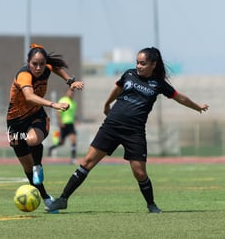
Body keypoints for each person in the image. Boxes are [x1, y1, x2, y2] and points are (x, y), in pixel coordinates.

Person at [45, 47, 209, 213]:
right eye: (137, 62)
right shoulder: (129, 74)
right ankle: (63, 199)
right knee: (87, 162)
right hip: (112, 126)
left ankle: (151, 205)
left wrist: (197, 107)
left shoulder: (159, 84)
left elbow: (180, 97)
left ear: (153, 64)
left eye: (143, 63)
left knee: (139, 172)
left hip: (134, 132)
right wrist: (107, 104)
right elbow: (117, 89)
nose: (138, 66)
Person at [6, 44, 84, 211]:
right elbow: (29, 96)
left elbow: (55, 67)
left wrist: (70, 81)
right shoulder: (24, 75)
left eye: (42, 63)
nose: (39, 67)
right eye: (35, 64)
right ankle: (46, 198)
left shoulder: (45, 68)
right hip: (15, 122)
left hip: (36, 115)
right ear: (28, 62)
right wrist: (53, 104)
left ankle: (38, 165)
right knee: (26, 167)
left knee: (33, 140)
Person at [47, 87, 78, 164]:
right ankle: (51, 148)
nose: (71, 93)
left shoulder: (74, 102)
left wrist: (75, 120)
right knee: (61, 142)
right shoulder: (63, 100)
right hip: (64, 124)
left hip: (70, 124)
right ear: (67, 92)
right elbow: (58, 112)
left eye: (72, 92)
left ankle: (73, 159)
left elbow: (72, 114)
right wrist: (60, 122)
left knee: (73, 140)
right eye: (70, 91)